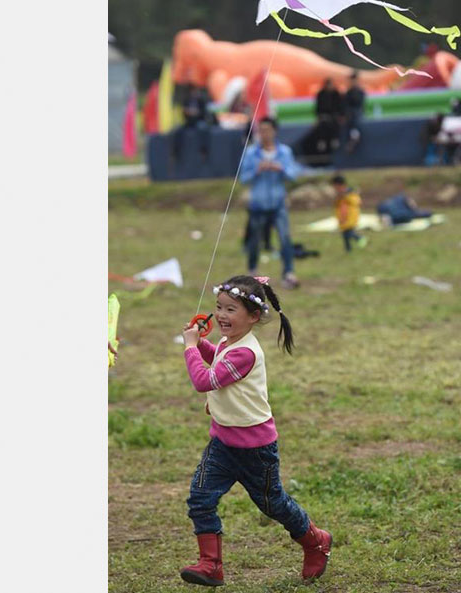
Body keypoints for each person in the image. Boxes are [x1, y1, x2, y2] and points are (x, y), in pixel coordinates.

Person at [179, 275, 332, 586]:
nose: (221, 315)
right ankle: (211, 565)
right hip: (222, 443)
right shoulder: (229, 342)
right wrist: (202, 344)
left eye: (231, 309)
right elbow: (218, 357)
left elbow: (204, 381)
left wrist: (191, 348)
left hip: (255, 450)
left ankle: (316, 541)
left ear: (253, 317)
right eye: (219, 307)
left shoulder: (246, 352)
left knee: (272, 504)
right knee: (200, 498)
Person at [240, 118, 300, 289]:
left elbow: (293, 175)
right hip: (258, 204)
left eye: (267, 130)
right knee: (254, 241)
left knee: (285, 238)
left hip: (278, 203)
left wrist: (280, 168)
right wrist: (257, 170)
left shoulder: (284, 152)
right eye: (261, 130)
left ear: (275, 131)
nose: (264, 134)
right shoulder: (251, 153)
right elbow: (243, 178)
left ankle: (288, 273)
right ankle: (252, 272)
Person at [173, 86, 211, 161]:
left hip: (198, 121)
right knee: (177, 130)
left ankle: (203, 151)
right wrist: (190, 113)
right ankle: (176, 152)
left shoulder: (201, 101)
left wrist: (194, 113)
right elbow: (184, 113)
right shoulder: (187, 100)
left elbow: (203, 113)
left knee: (203, 128)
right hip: (189, 122)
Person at [331, 175, 367, 251]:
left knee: (348, 233)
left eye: (335, 186)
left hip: (349, 218)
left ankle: (360, 239)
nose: (335, 189)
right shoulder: (340, 195)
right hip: (343, 218)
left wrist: (345, 196)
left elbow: (356, 202)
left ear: (340, 185)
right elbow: (337, 205)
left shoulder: (350, 194)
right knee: (345, 234)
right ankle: (348, 249)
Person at [314, 78, 342, 156]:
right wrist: (319, 116)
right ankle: (321, 141)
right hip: (324, 116)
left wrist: (339, 115)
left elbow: (339, 106)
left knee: (335, 125)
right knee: (322, 126)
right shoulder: (321, 94)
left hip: (334, 116)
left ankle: (335, 140)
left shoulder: (336, 93)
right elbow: (318, 107)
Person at [342, 71, 365, 154]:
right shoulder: (348, 93)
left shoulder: (359, 92)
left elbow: (359, 105)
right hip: (350, 116)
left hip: (356, 115)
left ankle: (354, 138)